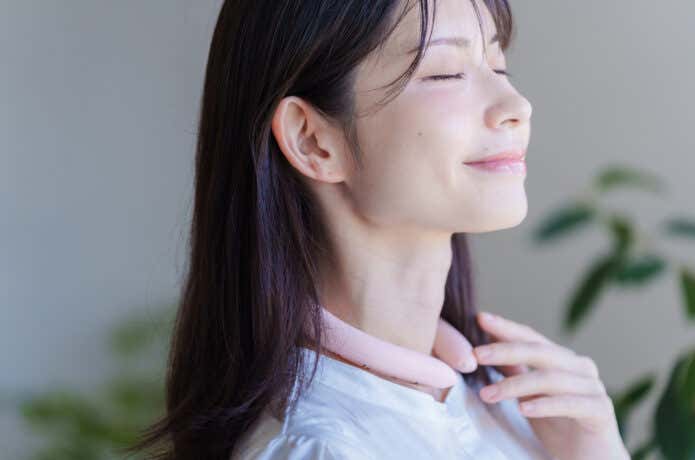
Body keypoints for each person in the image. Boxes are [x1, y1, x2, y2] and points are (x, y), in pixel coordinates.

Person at [125, 0, 631, 459]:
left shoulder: (524, 408)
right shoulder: (319, 448)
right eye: (446, 72)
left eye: (498, 66)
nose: (517, 106)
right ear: (312, 140)